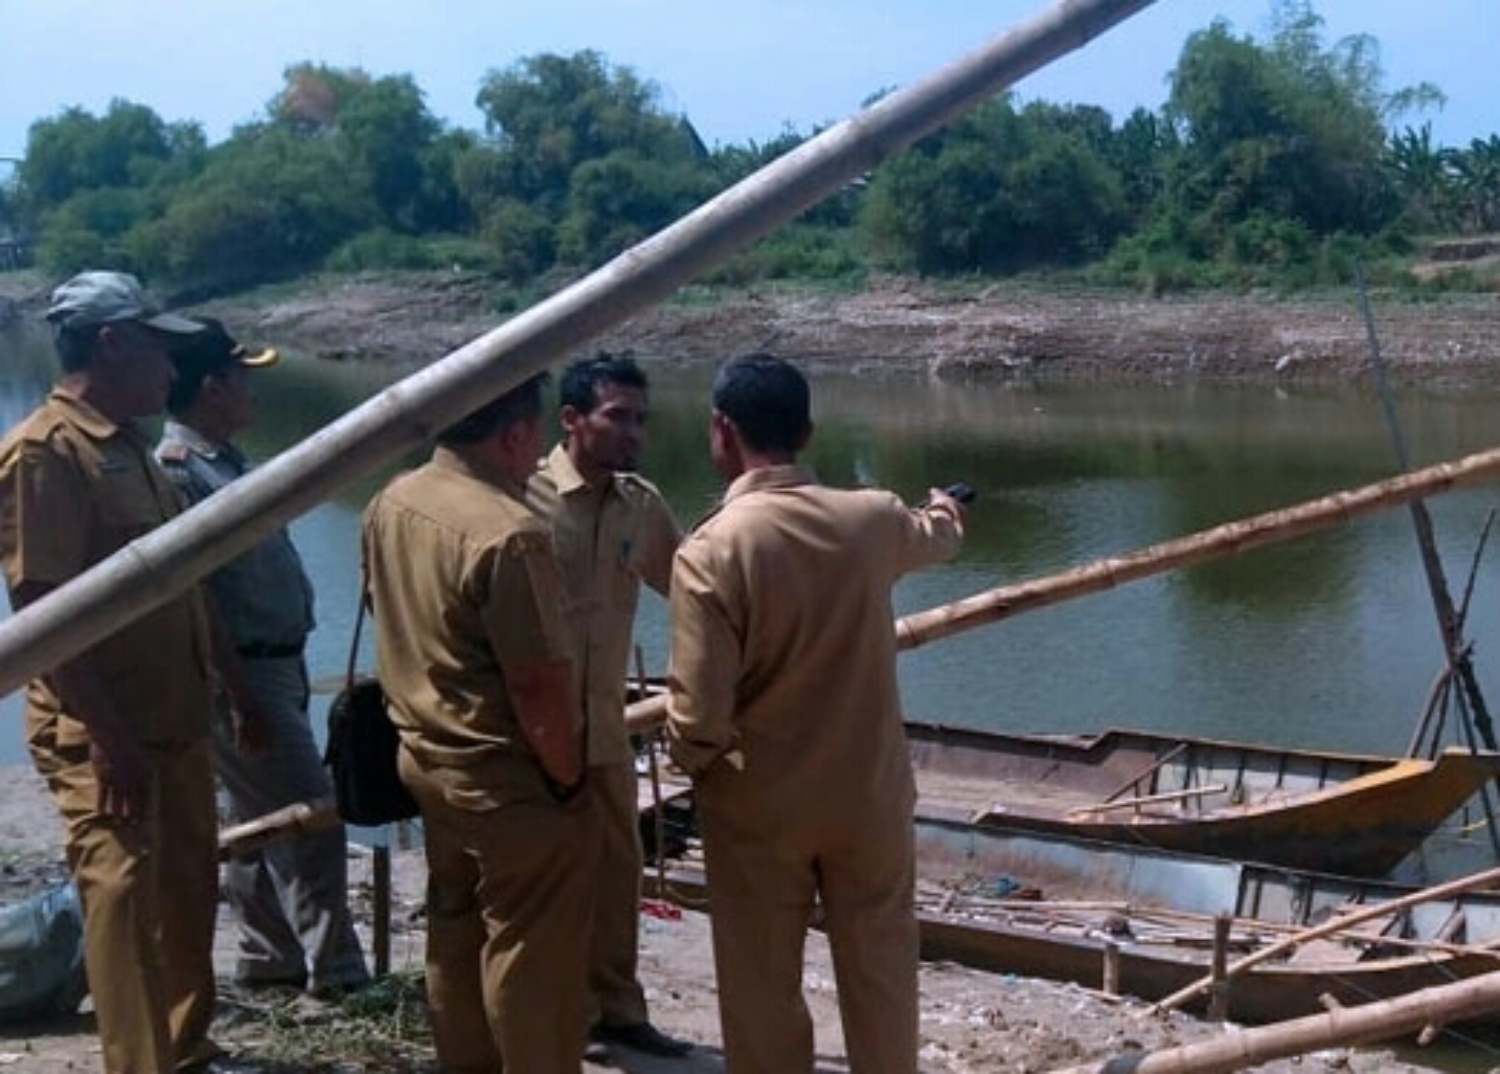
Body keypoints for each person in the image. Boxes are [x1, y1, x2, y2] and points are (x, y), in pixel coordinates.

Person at [665, 353, 966, 1074]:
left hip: (761, 808)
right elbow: (941, 535)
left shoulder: (712, 549)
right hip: (869, 796)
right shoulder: (871, 518)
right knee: (882, 973)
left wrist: (695, 762)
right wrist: (950, 506)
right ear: (806, 429)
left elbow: (699, 716)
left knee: (763, 984)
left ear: (721, 430)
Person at [0, 271, 265, 1073]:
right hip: (104, 730)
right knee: (123, 904)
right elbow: (41, 613)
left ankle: (184, 1051)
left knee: (186, 895)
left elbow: (180, 582)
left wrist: (237, 689)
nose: (170, 371)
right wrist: (109, 736)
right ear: (111, 342)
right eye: (157, 348)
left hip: (176, 719)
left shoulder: (133, 450)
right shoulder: (44, 453)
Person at [361, 374, 602, 1072]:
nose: (538, 458)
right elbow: (537, 684)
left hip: (426, 758)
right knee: (534, 952)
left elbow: (383, 610)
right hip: (505, 776)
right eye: (535, 439)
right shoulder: (510, 533)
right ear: (514, 433)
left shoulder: (392, 499)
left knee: (456, 928)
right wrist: (567, 782)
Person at [154, 317, 370, 998]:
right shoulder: (179, 471)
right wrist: (241, 694)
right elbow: (196, 598)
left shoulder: (225, 461)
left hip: (277, 663)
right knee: (312, 812)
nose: (253, 392)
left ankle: (267, 957)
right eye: (243, 377)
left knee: (254, 825)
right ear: (212, 386)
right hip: (243, 672)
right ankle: (336, 970)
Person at [526, 354, 689, 1060]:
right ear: (571, 420)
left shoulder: (640, 504)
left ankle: (618, 1011)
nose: (634, 432)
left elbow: (690, 591)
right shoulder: (520, 496)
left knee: (619, 875)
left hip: (606, 732)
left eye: (640, 418)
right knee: (541, 882)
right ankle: (551, 1014)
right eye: (616, 416)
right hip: (531, 735)